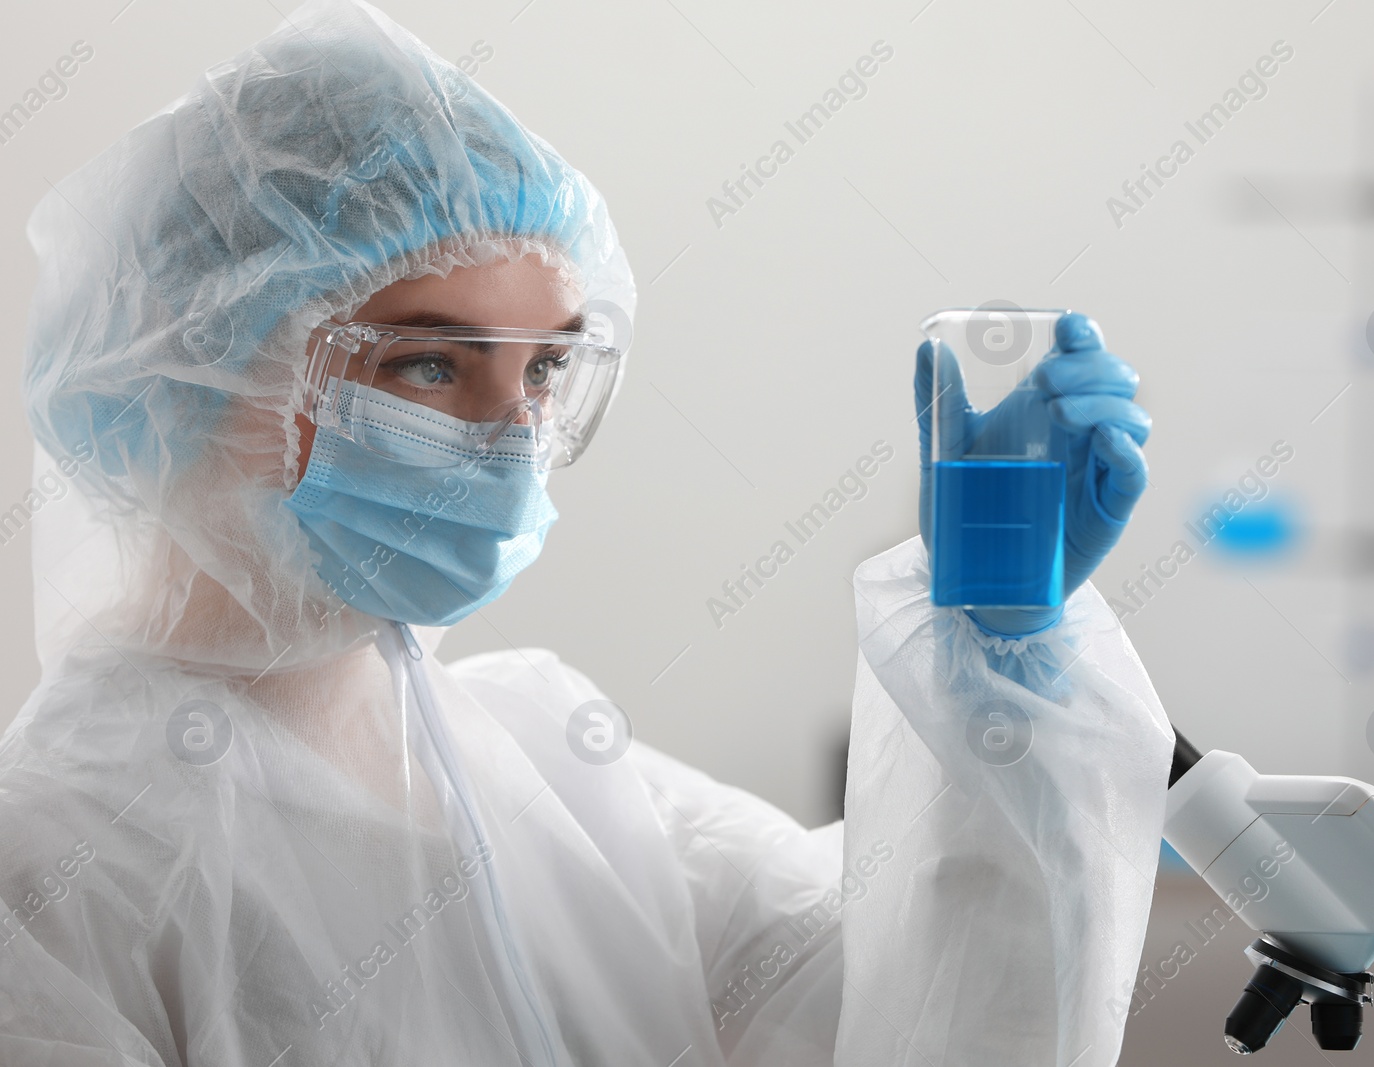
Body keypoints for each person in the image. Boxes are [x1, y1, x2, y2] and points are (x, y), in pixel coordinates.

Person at [0, 1, 1173, 1064]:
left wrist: (1001, 648)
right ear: (181, 377)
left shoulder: (557, 759)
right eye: (427, 361)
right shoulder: (48, 864)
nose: (513, 433)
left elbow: (915, 1010)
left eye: (548, 366)